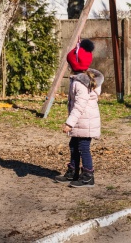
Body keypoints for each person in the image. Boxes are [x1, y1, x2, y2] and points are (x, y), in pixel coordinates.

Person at [54, 39, 104, 188]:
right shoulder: (80, 80)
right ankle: (74, 171)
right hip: (81, 122)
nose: (68, 66)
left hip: (84, 122)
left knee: (83, 147)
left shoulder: (80, 83)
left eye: (69, 63)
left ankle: (88, 175)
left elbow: (79, 105)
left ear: (73, 65)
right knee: (74, 145)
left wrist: (69, 123)